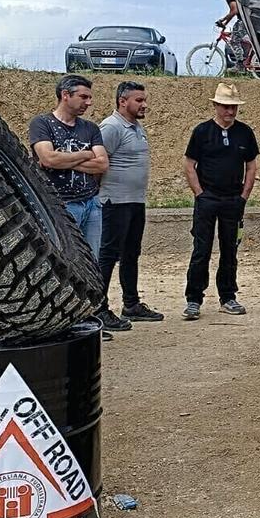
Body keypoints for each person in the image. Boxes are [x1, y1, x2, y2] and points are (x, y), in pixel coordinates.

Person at [182, 81, 259, 320]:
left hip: (232, 200)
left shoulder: (245, 132)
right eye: (225, 106)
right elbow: (188, 164)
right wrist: (199, 193)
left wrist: (243, 197)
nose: (230, 112)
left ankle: (228, 296)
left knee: (230, 250)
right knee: (201, 249)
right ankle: (194, 299)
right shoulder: (202, 132)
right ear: (216, 106)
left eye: (234, 107)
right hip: (208, 199)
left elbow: (251, 166)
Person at [96, 81, 164, 332]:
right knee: (108, 255)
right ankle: (99, 308)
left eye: (144, 100)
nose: (144, 104)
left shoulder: (137, 127)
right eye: (139, 100)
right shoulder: (111, 127)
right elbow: (98, 163)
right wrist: (101, 196)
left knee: (131, 254)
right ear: (122, 101)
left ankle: (131, 304)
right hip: (115, 202)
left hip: (135, 201)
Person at [29, 74, 109, 254]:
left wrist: (63, 160)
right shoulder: (42, 124)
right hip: (60, 204)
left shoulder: (91, 128)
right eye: (83, 97)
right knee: (65, 258)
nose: (88, 102)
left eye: (90, 97)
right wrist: (86, 154)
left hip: (91, 203)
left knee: (92, 259)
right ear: (65, 95)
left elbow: (102, 164)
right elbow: (48, 158)